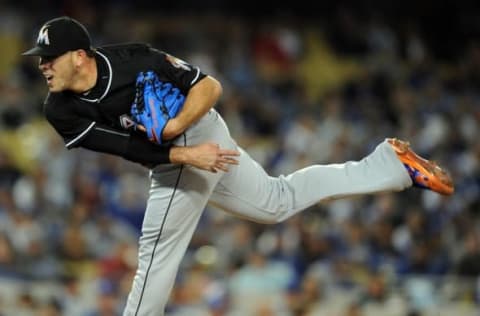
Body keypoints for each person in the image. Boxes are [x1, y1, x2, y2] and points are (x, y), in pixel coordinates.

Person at [22, 16, 454, 316]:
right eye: (40, 58)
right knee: (275, 202)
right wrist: (185, 153)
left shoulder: (134, 59)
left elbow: (208, 86)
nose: (42, 65)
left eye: (49, 57)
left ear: (79, 56)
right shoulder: (59, 110)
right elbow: (126, 148)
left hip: (199, 128)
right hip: (175, 154)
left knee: (156, 252)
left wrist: (178, 127)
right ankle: (390, 166)